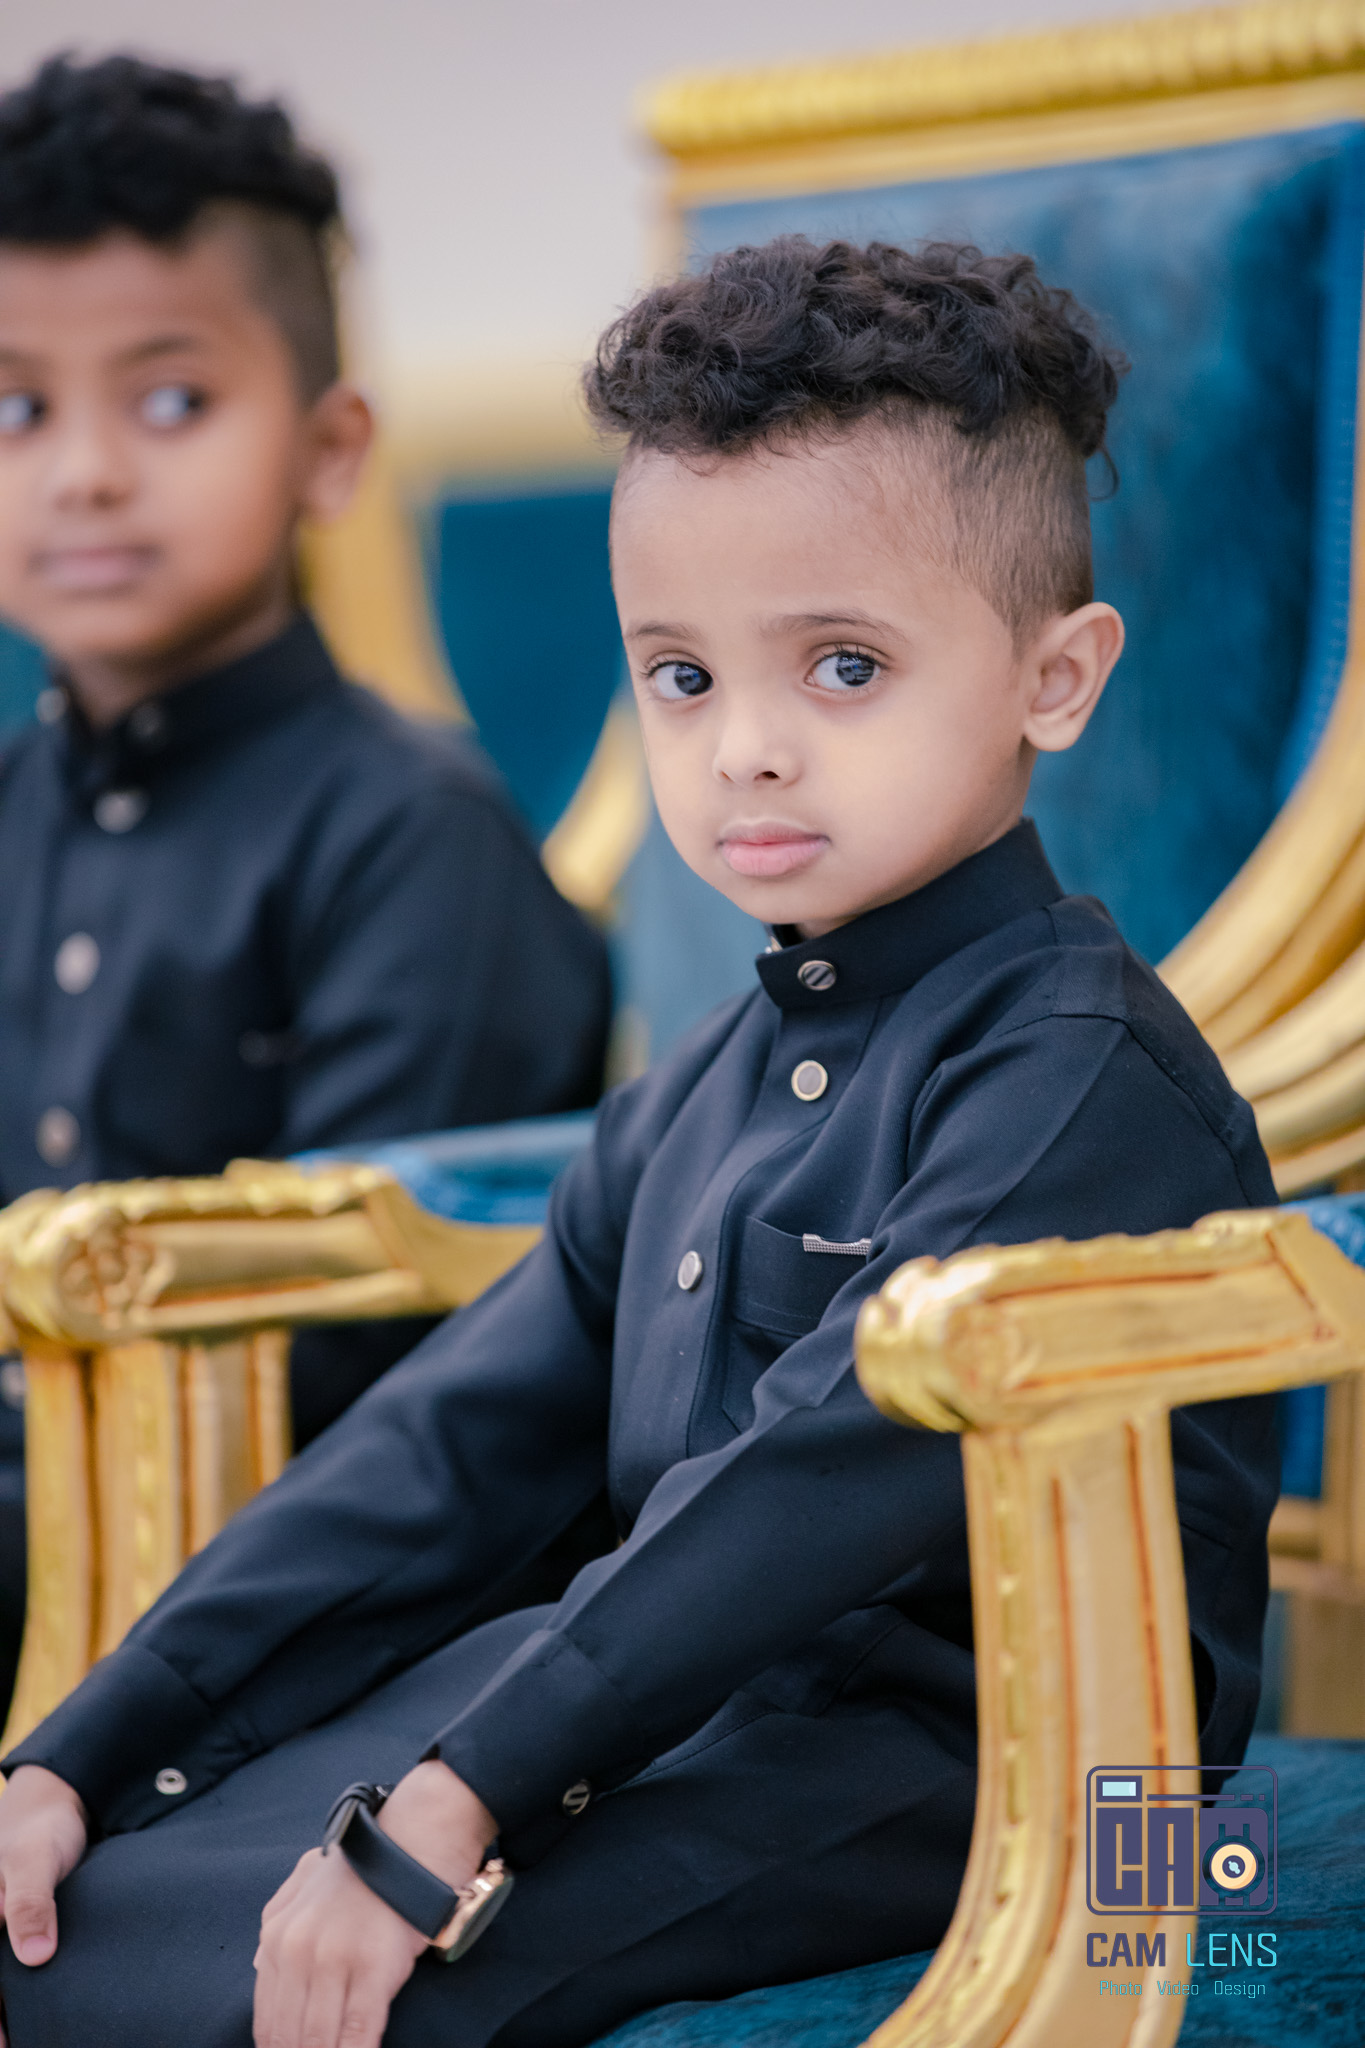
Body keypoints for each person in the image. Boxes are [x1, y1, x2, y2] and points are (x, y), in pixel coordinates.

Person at [0, 237, 1279, 2048]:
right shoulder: (708, 1080)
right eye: (679, 677)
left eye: (841, 665)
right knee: (74, 1919)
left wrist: (457, 1796)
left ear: (1052, 679)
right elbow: (440, 1455)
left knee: (342, 1997)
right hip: (686, 1705)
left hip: (1021, 1779)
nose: (743, 748)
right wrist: (78, 1753)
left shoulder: (1076, 1082)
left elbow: (805, 1487)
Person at [0, 53, 612, 1500]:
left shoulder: (416, 843)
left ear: (330, 451)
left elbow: (352, 1367)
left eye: (170, 402)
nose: (85, 474)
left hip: (281, 1566)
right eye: (18, 412)